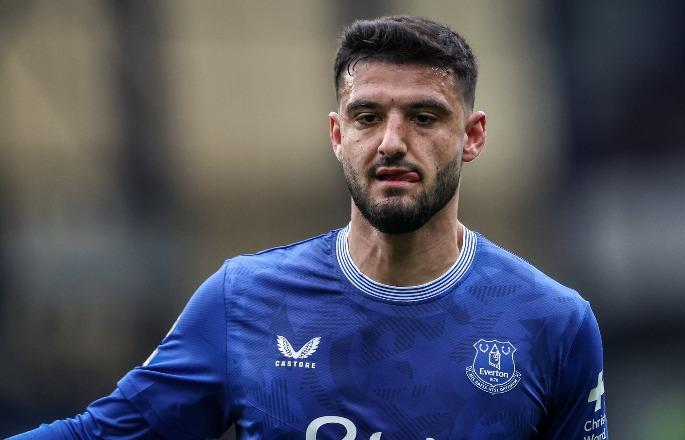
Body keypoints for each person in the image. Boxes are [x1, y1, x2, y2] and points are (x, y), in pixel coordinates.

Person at [12, 15, 608, 440]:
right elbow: (101, 434)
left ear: (472, 136)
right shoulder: (245, 301)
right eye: (367, 117)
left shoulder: (552, 324)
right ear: (337, 135)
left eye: (424, 117)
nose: (392, 142)